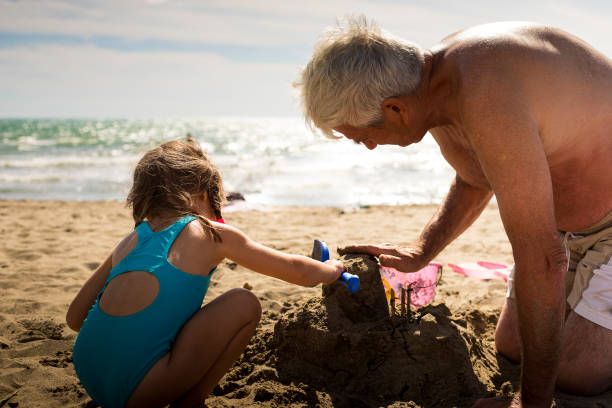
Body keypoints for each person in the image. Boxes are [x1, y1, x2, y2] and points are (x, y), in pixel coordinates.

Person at [295, 16, 612, 408]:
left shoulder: (485, 90)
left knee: (575, 374)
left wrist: (530, 403)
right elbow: (475, 176)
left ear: (396, 109)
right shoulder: (435, 83)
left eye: (363, 137)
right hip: (570, 228)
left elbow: (543, 260)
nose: (370, 147)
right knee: (512, 346)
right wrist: (422, 250)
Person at [66, 137, 344, 408]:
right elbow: (296, 271)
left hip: (89, 371)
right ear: (202, 194)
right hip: (139, 390)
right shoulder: (210, 233)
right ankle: (190, 401)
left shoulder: (129, 241)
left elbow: (75, 318)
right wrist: (330, 270)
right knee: (243, 303)